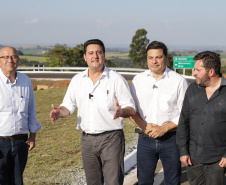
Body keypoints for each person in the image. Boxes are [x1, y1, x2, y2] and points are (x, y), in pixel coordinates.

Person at [50, 39, 135, 185]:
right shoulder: (77, 80)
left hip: (112, 139)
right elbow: (68, 105)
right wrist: (59, 112)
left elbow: (131, 108)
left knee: (113, 182)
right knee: (92, 182)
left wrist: (121, 111)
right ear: (85, 57)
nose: (95, 56)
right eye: (91, 53)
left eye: (98, 52)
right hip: (87, 140)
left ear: (104, 55)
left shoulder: (116, 79)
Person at [130, 41, 188, 185]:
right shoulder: (138, 81)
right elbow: (131, 109)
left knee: (172, 181)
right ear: (147, 58)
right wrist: (144, 126)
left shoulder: (179, 81)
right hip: (145, 139)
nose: (154, 61)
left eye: (158, 57)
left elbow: (185, 113)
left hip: (171, 139)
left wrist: (164, 128)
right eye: (150, 57)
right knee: (143, 181)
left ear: (166, 58)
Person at [176, 51, 226, 185]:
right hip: (193, 158)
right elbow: (183, 121)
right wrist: (183, 151)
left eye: (198, 70)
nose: (194, 73)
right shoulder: (192, 89)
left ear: (211, 72)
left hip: (218, 160)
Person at [0, 47, 41, 185]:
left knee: (18, 181)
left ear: (18, 60)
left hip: (20, 142)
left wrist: (33, 136)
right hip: (1, 143)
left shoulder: (25, 81)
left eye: (14, 57)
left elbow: (30, 110)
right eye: (5, 57)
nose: (10, 60)